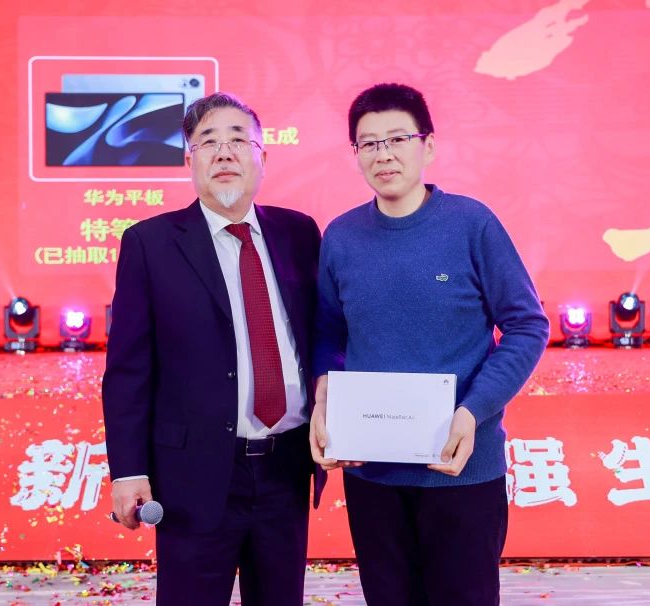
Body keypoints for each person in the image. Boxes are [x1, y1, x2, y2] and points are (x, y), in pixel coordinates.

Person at [310, 83, 550, 605]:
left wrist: (473, 412)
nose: (384, 154)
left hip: (460, 468)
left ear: (429, 146)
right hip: (372, 472)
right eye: (369, 143)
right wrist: (325, 394)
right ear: (355, 154)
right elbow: (329, 332)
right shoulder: (342, 237)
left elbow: (527, 326)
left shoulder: (472, 224)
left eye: (398, 139)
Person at [103, 92, 324, 606]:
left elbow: (320, 336)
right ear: (190, 160)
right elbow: (128, 372)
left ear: (262, 156)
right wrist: (129, 471)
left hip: (285, 468)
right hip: (193, 476)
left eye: (238, 140)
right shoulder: (151, 244)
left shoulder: (298, 233)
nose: (224, 152)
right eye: (208, 142)